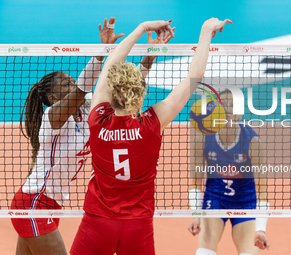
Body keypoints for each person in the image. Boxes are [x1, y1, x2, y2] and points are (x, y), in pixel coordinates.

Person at [70, 17, 232, 255]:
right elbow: (194, 76)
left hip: (98, 222)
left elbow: (110, 65)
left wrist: (142, 27)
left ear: (112, 91)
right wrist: (205, 30)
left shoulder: (97, 120)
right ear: (141, 94)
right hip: (137, 225)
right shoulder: (152, 124)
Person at [10, 17, 125, 255]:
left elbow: (116, 92)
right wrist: (99, 54)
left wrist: (146, 60)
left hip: (52, 205)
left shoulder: (87, 110)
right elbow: (83, 88)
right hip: (34, 203)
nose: (72, 86)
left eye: (72, 82)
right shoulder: (53, 118)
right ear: (52, 98)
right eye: (65, 85)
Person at [188, 89, 270, 255]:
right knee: (204, 252)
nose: (228, 109)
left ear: (240, 113)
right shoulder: (202, 139)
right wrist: (196, 215)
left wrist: (261, 229)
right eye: (223, 104)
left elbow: (262, 190)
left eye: (233, 105)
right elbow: (195, 182)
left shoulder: (252, 141)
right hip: (215, 199)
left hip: (245, 202)